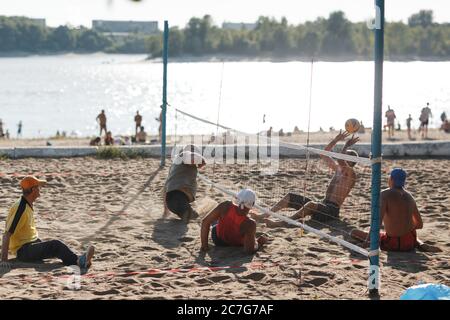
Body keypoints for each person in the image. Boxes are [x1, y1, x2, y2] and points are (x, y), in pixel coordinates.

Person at [261, 131, 359, 227]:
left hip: (331, 211)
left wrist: (346, 145)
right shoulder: (338, 169)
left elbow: (340, 159)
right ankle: (264, 215)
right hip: (323, 205)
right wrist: (336, 140)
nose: (342, 154)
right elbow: (324, 153)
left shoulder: (351, 174)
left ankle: (283, 223)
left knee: (311, 204)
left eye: (346, 155)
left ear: (350, 161)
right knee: (290, 196)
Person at [0, 176, 95, 273]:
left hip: (30, 243)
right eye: (38, 187)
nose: (40, 189)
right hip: (23, 251)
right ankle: (79, 261)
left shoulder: (27, 203)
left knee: (54, 246)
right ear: (33, 190)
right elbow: (7, 234)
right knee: (56, 245)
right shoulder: (21, 208)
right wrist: (4, 260)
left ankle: (78, 257)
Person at [351, 168, 441, 252]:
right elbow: (420, 225)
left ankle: (412, 240)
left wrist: (367, 242)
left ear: (391, 179)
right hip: (411, 241)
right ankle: (420, 243)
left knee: (354, 232)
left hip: (394, 243)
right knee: (406, 232)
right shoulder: (410, 196)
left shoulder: (384, 194)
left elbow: (377, 222)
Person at [200, 189, 268, 254]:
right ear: (252, 204)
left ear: (237, 198)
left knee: (215, 223)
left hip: (218, 240)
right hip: (236, 245)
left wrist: (204, 247)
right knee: (250, 235)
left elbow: (205, 222)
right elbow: (249, 251)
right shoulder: (250, 224)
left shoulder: (225, 205)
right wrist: (259, 243)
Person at [163, 145, 206, 223]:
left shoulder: (175, 165)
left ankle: (186, 214)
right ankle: (186, 215)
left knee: (191, 214)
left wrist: (166, 211)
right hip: (178, 199)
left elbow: (166, 188)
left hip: (171, 202)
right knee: (194, 216)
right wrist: (202, 160)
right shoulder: (185, 154)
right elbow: (192, 157)